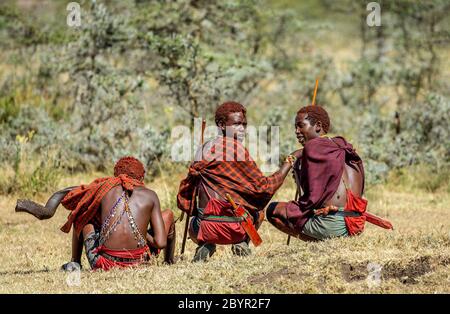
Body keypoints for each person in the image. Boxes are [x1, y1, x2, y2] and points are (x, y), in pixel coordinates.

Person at [177, 101, 302, 262]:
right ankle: (242, 242)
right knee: (259, 212)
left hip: (204, 227)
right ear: (222, 125)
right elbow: (263, 188)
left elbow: (190, 196)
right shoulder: (236, 149)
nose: (242, 129)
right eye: (236, 124)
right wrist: (290, 161)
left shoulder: (203, 149)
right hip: (235, 227)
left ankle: (205, 244)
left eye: (244, 124)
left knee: (193, 222)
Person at [16, 156, 175, 270]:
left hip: (103, 263)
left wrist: (47, 210)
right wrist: (142, 232)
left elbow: (70, 193)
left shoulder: (104, 188)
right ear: (141, 176)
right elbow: (160, 243)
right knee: (168, 214)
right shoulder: (150, 194)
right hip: (140, 262)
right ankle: (169, 262)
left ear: (116, 174)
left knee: (83, 214)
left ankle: (75, 262)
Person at [267, 105, 369, 241]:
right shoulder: (342, 146)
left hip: (333, 225)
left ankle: (319, 243)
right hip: (356, 224)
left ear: (318, 126)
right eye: (295, 127)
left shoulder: (313, 148)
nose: (297, 131)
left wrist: (293, 157)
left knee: (272, 210)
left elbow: (311, 200)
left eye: (301, 126)